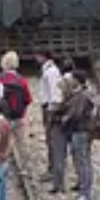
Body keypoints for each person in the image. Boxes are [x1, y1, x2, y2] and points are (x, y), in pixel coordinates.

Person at [59, 70, 96, 200]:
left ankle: (86, 194)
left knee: (82, 162)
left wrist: (64, 119)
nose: (71, 80)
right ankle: (84, 187)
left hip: (79, 132)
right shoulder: (86, 93)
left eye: (73, 78)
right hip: (85, 131)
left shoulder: (81, 96)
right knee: (84, 160)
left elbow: (76, 115)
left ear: (77, 80)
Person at [35, 54, 64, 182]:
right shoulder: (48, 69)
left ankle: (54, 170)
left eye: (37, 55)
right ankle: (54, 168)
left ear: (43, 56)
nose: (36, 58)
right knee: (50, 140)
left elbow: (54, 93)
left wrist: (51, 112)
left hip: (50, 109)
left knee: (52, 140)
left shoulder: (51, 71)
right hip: (47, 108)